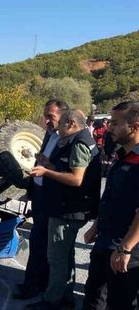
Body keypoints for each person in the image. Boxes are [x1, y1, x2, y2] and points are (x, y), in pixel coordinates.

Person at [27, 109, 100, 310]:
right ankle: (66, 296)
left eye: (60, 124)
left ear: (70, 124)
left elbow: (76, 179)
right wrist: (49, 163)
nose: (57, 128)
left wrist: (46, 172)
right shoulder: (79, 139)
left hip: (68, 209)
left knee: (56, 257)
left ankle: (52, 300)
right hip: (69, 207)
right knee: (66, 255)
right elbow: (69, 170)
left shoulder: (79, 143)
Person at [82, 101, 139, 310]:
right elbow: (111, 197)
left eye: (115, 123)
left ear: (135, 126)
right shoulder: (122, 155)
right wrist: (96, 227)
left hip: (126, 249)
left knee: (120, 303)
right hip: (105, 241)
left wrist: (125, 249)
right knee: (94, 298)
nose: (109, 128)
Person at [13, 99, 69, 301]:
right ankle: (38, 283)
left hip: (51, 199)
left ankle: (32, 287)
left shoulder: (67, 139)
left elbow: (67, 172)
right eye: (45, 116)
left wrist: (48, 167)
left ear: (63, 116)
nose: (46, 121)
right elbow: (42, 162)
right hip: (39, 195)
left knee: (40, 243)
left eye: (50, 117)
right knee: (40, 242)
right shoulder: (50, 134)